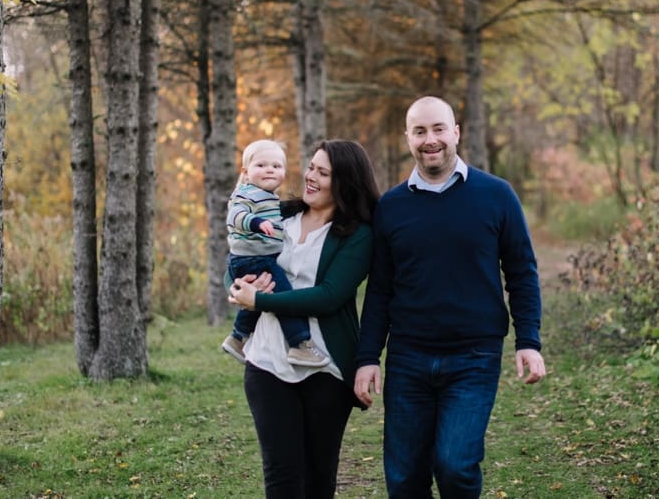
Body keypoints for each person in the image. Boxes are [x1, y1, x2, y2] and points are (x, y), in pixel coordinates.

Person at [353, 96, 547, 498]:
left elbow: (522, 273)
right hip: (408, 358)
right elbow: (380, 290)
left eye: (439, 128)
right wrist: (369, 356)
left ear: (456, 132)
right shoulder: (390, 207)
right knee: (405, 478)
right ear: (407, 137)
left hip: (473, 358)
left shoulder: (497, 196)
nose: (431, 140)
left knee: (455, 465)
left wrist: (528, 341)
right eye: (420, 131)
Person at [227, 139, 380, 499]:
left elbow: (329, 296)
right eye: (311, 167)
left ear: (343, 183)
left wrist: (261, 298)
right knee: (281, 477)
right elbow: (238, 255)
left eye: (323, 173)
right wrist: (239, 286)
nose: (310, 176)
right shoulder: (279, 214)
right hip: (267, 362)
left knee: (317, 478)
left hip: (324, 367)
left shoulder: (357, 235)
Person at [221, 139, 330, 368]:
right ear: (246, 172)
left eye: (276, 166)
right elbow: (235, 216)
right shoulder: (247, 194)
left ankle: (238, 337)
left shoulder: (269, 198)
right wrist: (256, 223)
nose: (269, 169)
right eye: (261, 165)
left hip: (256, 258)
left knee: (264, 292)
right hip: (253, 258)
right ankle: (299, 344)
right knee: (281, 293)